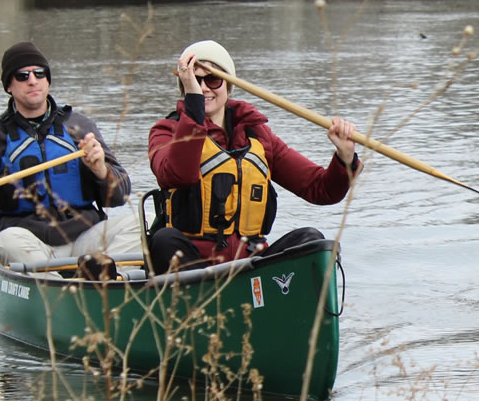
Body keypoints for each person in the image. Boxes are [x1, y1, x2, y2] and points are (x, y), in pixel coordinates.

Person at [147, 40, 360, 273]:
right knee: (163, 240)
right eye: (195, 81)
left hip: (250, 266)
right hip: (194, 267)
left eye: (213, 80)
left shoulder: (258, 136)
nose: (204, 88)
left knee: (312, 240)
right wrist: (193, 106)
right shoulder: (166, 131)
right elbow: (179, 175)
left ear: (228, 86)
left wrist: (345, 158)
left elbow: (321, 189)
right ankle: (196, 305)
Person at [0, 41, 139, 272]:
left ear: (48, 80)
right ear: (9, 86)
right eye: (22, 76)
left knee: (141, 221)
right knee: (7, 240)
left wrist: (100, 170)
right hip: (31, 243)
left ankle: (103, 282)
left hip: (84, 237)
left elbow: (120, 196)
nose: (32, 80)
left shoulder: (79, 126)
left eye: (39, 73)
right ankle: (57, 292)